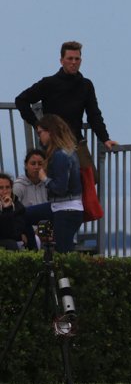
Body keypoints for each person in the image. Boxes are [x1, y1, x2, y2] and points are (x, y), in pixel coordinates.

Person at [15, 41, 118, 151]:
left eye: (77, 59)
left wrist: (105, 139)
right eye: (70, 58)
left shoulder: (86, 85)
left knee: (85, 163)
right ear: (61, 61)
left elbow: (94, 115)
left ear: (81, 61)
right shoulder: (49, 83)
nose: (73, 62)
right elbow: (21, 100)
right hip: (54, 143)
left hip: (77, 142)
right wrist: (37, 125)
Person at [24, 115, 83, 253]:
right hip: (59, 207)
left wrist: (44, 178)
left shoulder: (60, 155)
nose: (39, 137)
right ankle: (37, 248)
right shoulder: (67, 151)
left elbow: (60, 188)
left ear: (50, 132)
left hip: (66, 210)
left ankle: (37, 250)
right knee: (22, 216)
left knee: (63, 252)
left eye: (40, 133)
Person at [0, 173, 26, 250]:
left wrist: (23, 233)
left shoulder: (17, 204)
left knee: (35, 238)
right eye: (1, 188)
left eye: (8, 187)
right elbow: (4, 232)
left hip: (14, 238)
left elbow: (20, 225)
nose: (5, 191)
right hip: (4, 240)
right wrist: (6, 209)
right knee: (11, 244)